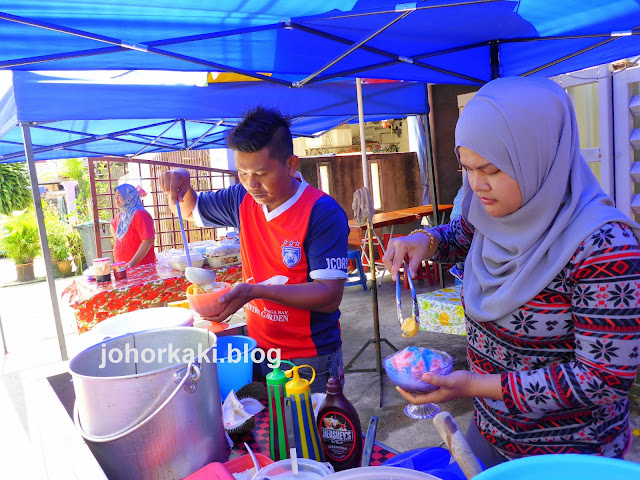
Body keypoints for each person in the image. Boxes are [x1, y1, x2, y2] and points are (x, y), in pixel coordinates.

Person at [383, 77, 640, 465]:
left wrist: (474, 385)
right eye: (467, 168)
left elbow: (603, 377)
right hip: (490, 431)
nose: (476, 185)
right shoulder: (486, 210)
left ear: (539, 156)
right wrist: (425, 240)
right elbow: (458, 236)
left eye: (491, 169)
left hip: (570, 455)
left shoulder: (604, 246)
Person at [158, 106, 349, 392]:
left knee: (310, 434)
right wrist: (182, 182)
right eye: (242, 173)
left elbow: (328, 295)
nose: (252, 184)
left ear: (291, 164)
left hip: (310, 357)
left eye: (261, 172)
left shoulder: (321, 212)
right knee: (271, 433)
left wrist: (254, 291)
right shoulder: (241, 198)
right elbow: (191, 211)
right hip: (259, 349)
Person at [110, 183, 156, 268]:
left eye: (120, 195)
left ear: (129, 197)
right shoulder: (122, 215)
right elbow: (112, 225)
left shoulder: (140, 214)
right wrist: (118, 241)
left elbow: (148, 241)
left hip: (141, 268)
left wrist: (132, 263)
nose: (116, 198)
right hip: (124, 268)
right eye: (116, 195)